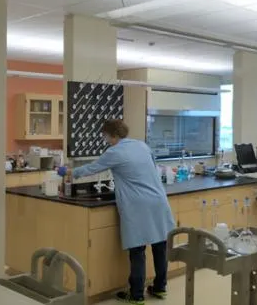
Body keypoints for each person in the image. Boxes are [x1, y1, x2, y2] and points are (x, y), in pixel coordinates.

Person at [59, 119, 176, 305]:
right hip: (158, 199)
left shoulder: (114, 152)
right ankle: (160, 288)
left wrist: (68, 172)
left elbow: (92, 168)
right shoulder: (142, 145)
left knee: (138, 249)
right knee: (160, 245)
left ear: (112, 135)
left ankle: (136, 295)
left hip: (138, 204)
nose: (105, 140)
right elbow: (151, 168)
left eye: (105, 136)